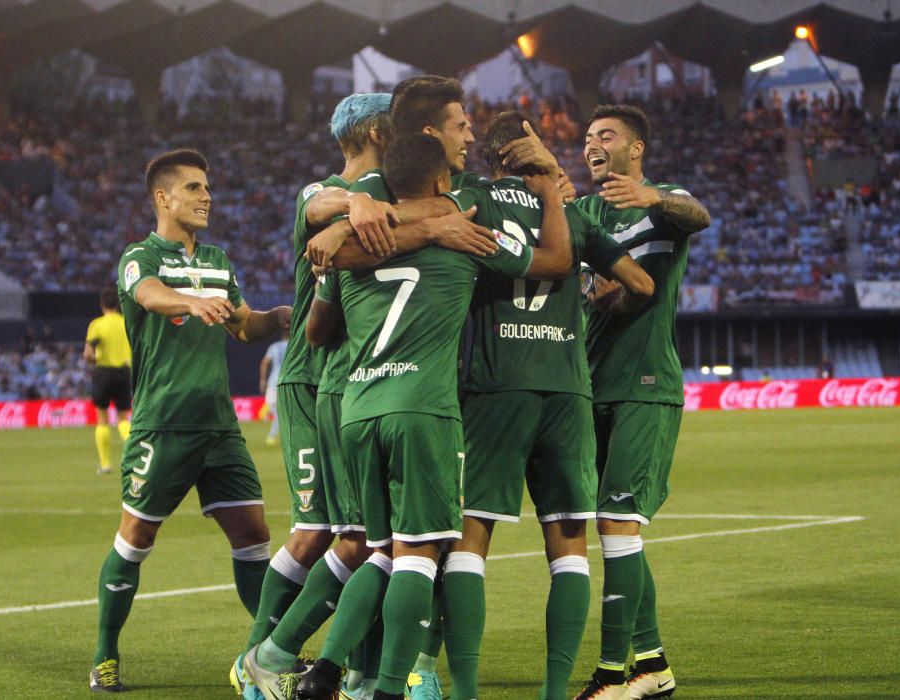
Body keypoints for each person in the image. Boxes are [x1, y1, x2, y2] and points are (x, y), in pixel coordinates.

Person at [294, 133, 573, 700]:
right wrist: (549, 200)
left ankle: (323, 669)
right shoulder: (467, 237)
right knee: (419, 556)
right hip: (422, 406)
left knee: (380, 550)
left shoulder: (359, 238)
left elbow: (316, 326)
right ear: (445, 184)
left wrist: (349, 221)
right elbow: (557, 263)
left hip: (358, 404)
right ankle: (390, 689)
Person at [241, 92, 498, 700]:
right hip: (325, 380)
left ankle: (349, 675)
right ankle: (268, 658)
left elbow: (354, 245)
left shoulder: (382, 206)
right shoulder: (329, 194)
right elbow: (324, 216)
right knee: (345, 536)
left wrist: (409, 218)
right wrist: (423, 218)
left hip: (357, 387)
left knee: (364, 541)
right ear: (383, 131)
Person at [439, 112, 654, 700]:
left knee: (469, 539)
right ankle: (556, 691)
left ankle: (463, 690)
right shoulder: (573, 214)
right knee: (567, 548)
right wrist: (600, 304)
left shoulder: (472, 198)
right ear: (523, 148)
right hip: (566, 389)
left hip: (493, 386)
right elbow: (640, 285)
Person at [89, 148, 291, 693]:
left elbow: (245, 327)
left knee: (254, 535)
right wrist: (187, 301)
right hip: (162, 425)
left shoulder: (219, 261)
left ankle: (264, 654)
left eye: (208, 188)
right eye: (196, 188)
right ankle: (105, 653)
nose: (208, 197)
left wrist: (282, 317)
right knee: (136, 539)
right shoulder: (140, 257)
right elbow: (148, 294)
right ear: (164, 197)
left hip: (220, 428)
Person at [571, 105, 710, 700]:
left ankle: (611, 675)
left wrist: (650, 198)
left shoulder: (665, 201)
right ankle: (653, 665)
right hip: (590, 385)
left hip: (646, 383)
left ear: (637, 148)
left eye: (606, 136)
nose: (592, 145)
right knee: (619, 531)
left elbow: (697, 215)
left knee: (616, 523)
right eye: (587, 138)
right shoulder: (581, 214)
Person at [83, 285, 133, 475]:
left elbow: (88, 354)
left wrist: (96, 359)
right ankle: (133, 454)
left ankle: (105, 465)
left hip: (103, 372)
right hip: (123, 372)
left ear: (101, 304)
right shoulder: (125, 323)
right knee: (122, 418)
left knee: (102, 419)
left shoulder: (97, 324)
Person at [260, 329, 289, 446]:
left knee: (277, 411)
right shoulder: (294, 345)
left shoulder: (274, 346)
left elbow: (265, 362)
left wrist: (262, 380)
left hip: (272, 382)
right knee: (282, 413)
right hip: (286, 381)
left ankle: (274, 434)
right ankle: (273, 436)